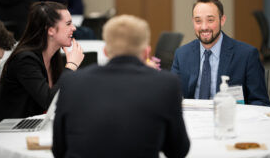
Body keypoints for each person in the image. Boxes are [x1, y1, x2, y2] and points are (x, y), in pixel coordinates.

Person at [52, 15, 190, 158]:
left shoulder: (71, 82)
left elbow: (59, 149)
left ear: (105, 51)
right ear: (146, 52)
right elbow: (177, 150)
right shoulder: (166, 84)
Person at [171, 0, 270, 106]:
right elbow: (171, 96)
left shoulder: (246, 55)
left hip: (231, 119)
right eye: (198, 21)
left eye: (210, 20)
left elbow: (261, 103)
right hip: (192, 120)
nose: (204, 27)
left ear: (222, 20)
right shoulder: (182, 54)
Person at [0, 1, 84, 124]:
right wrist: (71, 66)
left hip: (37, 125)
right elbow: (49, 102)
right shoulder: (25, 60)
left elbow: (65, 97)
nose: (73, 28)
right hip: (14, 130)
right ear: (51, 30)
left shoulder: (53, 56)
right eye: (68, 24)